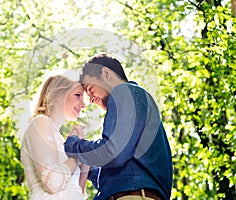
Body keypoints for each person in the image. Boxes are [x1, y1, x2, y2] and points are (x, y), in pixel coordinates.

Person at [64, 54, 173, 200]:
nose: (91, 99)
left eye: (90, 89)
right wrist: (89, 168)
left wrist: (74, 145)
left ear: (106, 73)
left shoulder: (124, 92)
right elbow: (124, 173)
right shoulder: (137, 99)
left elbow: (113, 153)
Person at [20, 75, 89, 200]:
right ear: (58, 94)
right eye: (78, 95)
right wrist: (76, 153)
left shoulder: (60, 141)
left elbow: (78, 191)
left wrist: (84, 160)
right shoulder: (40, 122)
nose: (83, 104)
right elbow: (53, 183)